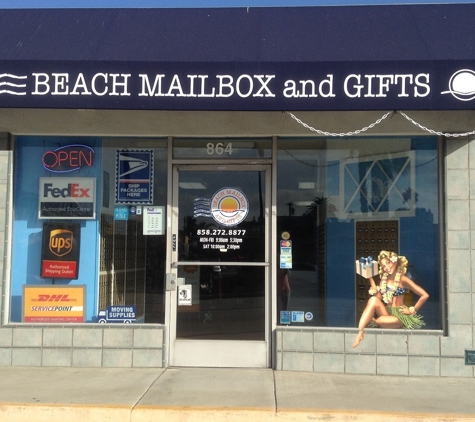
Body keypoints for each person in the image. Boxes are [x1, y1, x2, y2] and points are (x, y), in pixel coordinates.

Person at [353, 250, 429, 348]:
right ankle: (360, 332)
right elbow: (378, 298)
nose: (387, 267)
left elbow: (425, 295)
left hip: (399, 315)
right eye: (384, 266)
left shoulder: (402, 279)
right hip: (387, 312)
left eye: (388, 263)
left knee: (380, 320)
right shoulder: (384, 280)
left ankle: (377, 322)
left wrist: (411, 310)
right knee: (372, 300)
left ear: (395, 262)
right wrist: (370, 278)